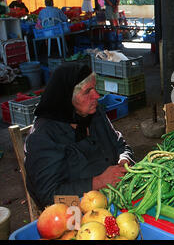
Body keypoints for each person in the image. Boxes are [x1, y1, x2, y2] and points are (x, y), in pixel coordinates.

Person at [24, 63, 134, 209]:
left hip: (114, 197)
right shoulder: (43, 137)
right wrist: (99, 181)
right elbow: (48, 196)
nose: (97, 95)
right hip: (74, 212)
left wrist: (124, 159)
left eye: (95, 88)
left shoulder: (93, 113)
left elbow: (120, 144)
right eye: (88, 91)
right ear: (67, 97)